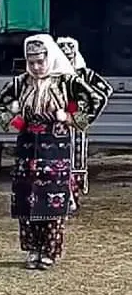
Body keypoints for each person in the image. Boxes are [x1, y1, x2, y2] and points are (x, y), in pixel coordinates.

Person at [0, 34, 106, 270]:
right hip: (27, 147)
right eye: (31, 63)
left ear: (49, 58)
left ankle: (49, 251)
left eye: (40, 62)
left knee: (51, 201)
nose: (36, 67)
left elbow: (96, 98)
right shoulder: (22, 82)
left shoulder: (65, 81)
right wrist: (14, 121)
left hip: (56, 149)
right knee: (27, 199)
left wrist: (72, 118)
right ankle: (32, 249)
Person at [56, 36, 113, 213]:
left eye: (70, 47)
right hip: (57, 124)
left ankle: (72, 198)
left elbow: (105, 91)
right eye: (62, 48)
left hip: (76, 125)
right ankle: (63, 199)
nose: (66, 51)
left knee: (74, 161)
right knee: (58, 161)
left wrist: (85, 113)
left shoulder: (84, 74)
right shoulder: (52, 75)